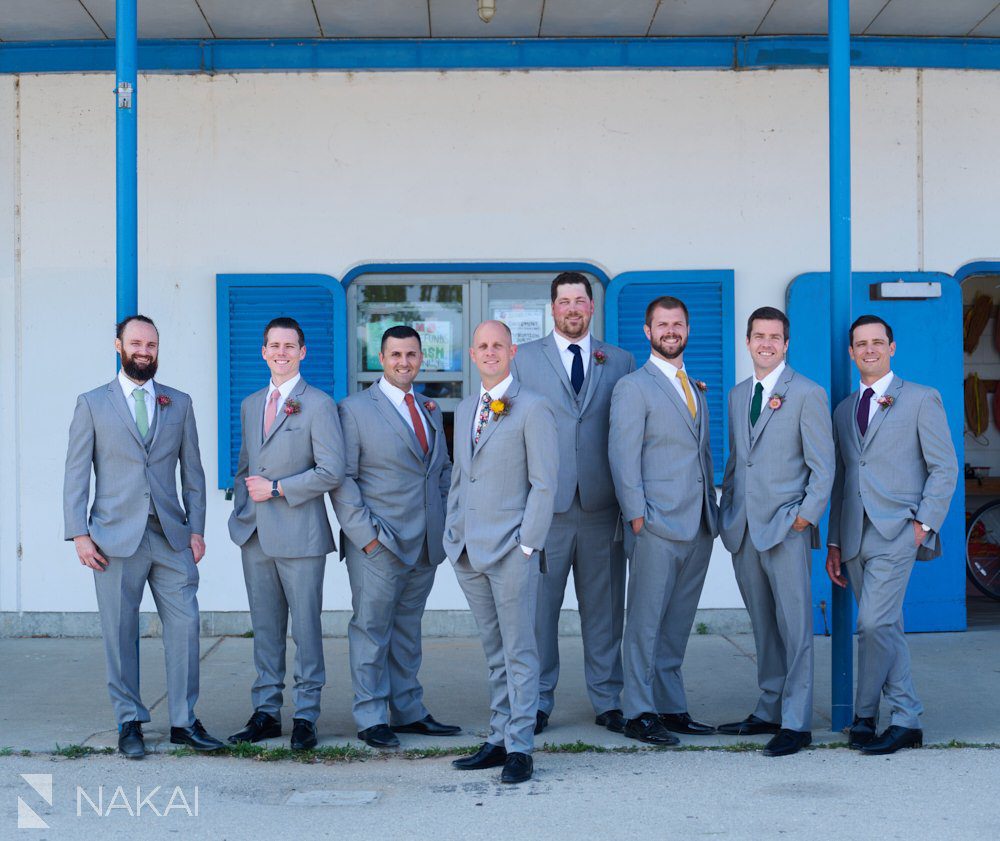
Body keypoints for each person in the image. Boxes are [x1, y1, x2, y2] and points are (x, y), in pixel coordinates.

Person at [63, 314, 223, 758]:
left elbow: (194, 473)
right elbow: (76, 473)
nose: (144, 351)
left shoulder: (179, 402)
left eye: (151, 345)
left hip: (171, 536)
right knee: (119, 631)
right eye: (136, 343)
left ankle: (183, 721)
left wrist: (197, 529)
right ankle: (128, 721)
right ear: (119, 345)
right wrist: (79, 534)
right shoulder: (92, 403)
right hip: (113, 538)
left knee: (186, 627)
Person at [826, 314, 957, 755]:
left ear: (892, 347)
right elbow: (844, 476)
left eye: (877, 342)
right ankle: (873, 716)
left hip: (899, 530)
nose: (869, 350)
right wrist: (834, 542)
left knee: (874, 622)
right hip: (854, 536)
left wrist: (923, 525)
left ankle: (902, 714)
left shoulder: (921, 399)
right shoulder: (844, 409)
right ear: (851, 351)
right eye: (860, 344)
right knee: (885, 628)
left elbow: (945, 467)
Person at [510, 271, 634, 735]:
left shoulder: (619, 360)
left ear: (592, 307)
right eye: (565, 302)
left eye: (581, 300)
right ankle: (537, 701)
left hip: (603, 506)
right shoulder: (522, 360)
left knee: (603, 611)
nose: (574, 309)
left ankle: (607, 699)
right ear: (553, 308)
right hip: (545, 507)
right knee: (539, 612)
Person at [332, 325, 460, 749]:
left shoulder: (428, 406)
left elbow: (440, 471)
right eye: (395, 355)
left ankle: (407, 709)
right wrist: (366, 536)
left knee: (407, 630)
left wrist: (441, 519)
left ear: (421, 358)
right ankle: (370, 715)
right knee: (371, 630)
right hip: (378, 542)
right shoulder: (353, 409)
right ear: (380, 359)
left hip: (425, 541)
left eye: (411, 354)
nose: (404, 362)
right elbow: (343, 479)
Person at [718, 306, 834, 756]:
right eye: (758, 335)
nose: (766, 343)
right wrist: (730, 510)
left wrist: (803, 518)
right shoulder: (737, 394)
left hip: (786, 527)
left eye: (775, 336)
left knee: (795, 626)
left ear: (786, 344)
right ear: (747, 341)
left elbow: (823, 467)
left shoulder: (806, 393)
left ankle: (796, 721)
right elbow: (737, 462)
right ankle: (768, 706)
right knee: (763, 625)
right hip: (744, 530)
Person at [445, 320, 558, 784]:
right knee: (494, 652)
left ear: (512, 352)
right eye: (482, 347)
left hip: (512, 549)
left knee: (520, 651)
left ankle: (521, 747)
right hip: (469, 549)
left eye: (498, 345)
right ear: (472, 355)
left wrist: (527, 544)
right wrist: (454, 532)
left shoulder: (534, 408)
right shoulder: (467, 405)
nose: (490, 352)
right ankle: (497, 737)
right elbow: (459, 478)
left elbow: (545, 483)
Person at [228, 316, 346, 751]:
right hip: (255, 534)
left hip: (300, 533)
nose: (280, 352)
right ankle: (265, 712)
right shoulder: (251, 403)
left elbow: (332, 470)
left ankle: (306, 715)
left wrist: (278, 489)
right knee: (265, 627)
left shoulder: (318, 404)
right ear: (263, 351)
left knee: (306, 629)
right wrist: (242, 509)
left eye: (289, 346)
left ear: (302, 352)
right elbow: (245, 465)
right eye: (273, 345)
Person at [609, 296, 719, 745]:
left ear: (687, 330)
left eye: (677, 324)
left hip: (699, 525)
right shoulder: (633, 387)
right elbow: (622, 456)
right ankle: (638, 710)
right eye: (662, 324)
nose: (671, 330)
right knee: (645, 622)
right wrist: (637, 517)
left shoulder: (694, 385)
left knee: (677, 622)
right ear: (648, 331)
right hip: (655, 524)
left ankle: (671, 706)